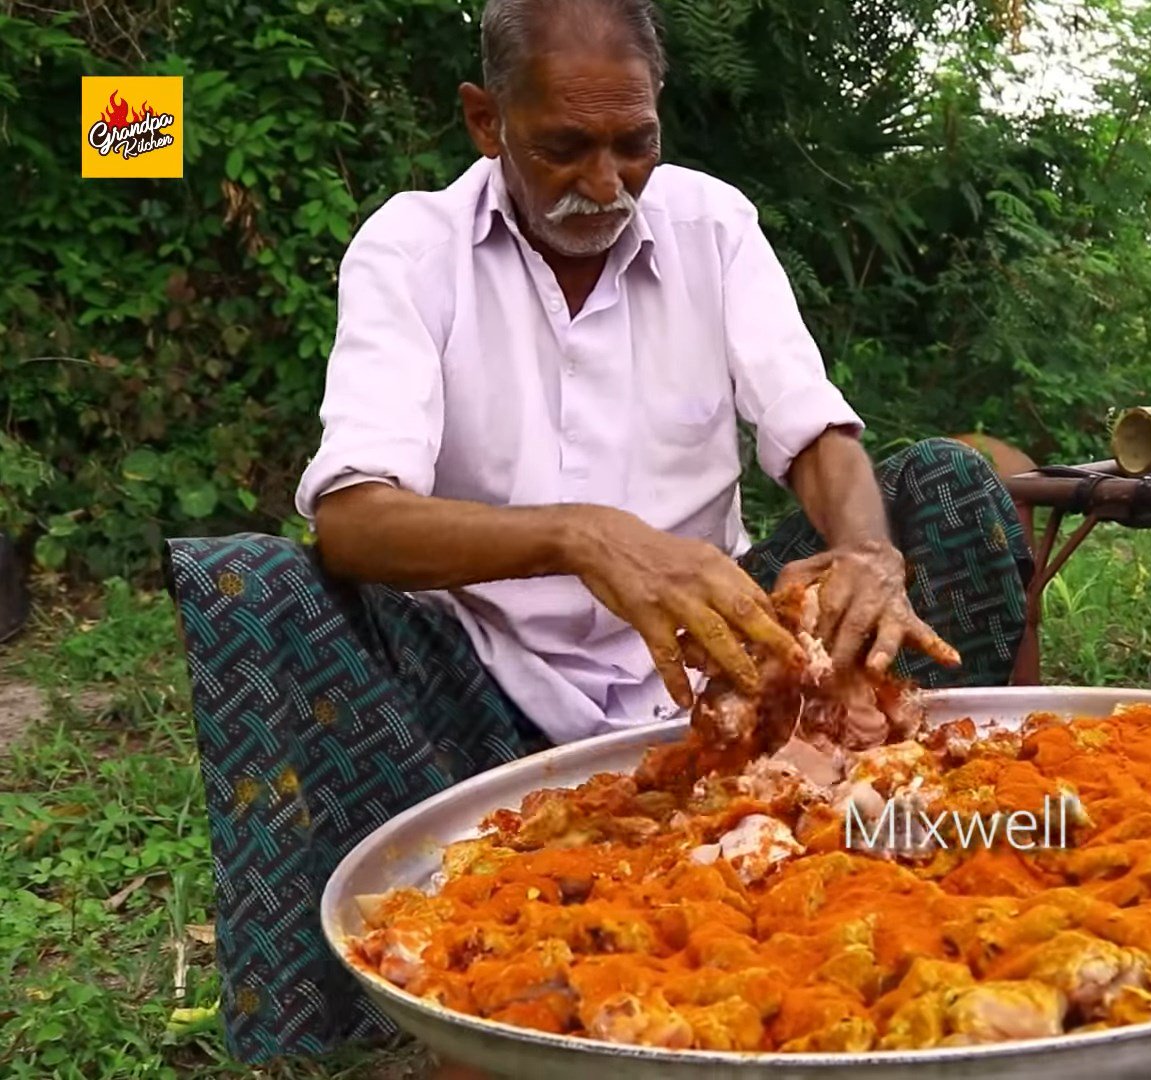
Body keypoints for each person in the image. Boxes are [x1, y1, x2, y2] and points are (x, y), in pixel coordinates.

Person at [160, 0, 1032, 1067]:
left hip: (728, 680)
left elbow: (814, 431)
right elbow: (352, 518)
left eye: (636, 145)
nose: (608, 182)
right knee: (254, 587)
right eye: (564, 149)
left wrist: (863, 553)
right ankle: (333, 1031)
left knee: (947, 485)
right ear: (486, 123)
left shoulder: (712, 226)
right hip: (478, 702)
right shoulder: (411, 248)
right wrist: (582, 537)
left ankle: (939, 856)